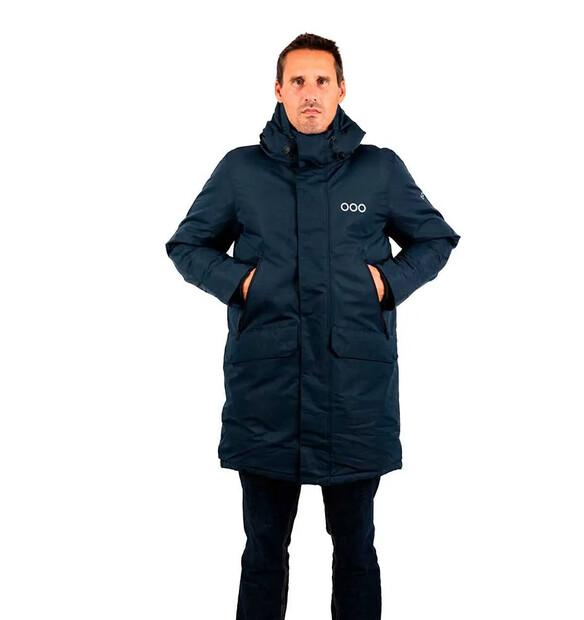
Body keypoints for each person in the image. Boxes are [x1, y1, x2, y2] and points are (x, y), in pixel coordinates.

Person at [165, 32, 461, 620]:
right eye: (297, 81)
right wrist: (242, 284)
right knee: (263, 553)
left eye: (322, 81)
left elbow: (435, 238)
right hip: (266, 395)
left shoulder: (378, 170)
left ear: (341, 89)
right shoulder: (241, 170)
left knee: (356, 551)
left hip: (354, 398)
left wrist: (387, 283)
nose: (310, 93)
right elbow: (187, 245)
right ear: (278, 90)